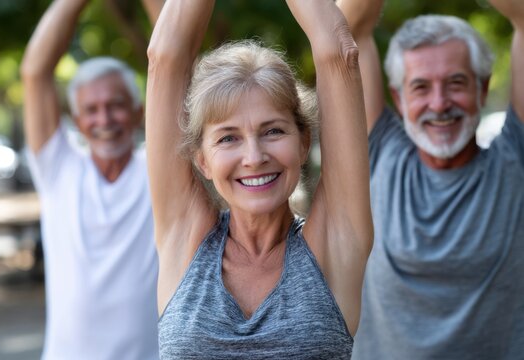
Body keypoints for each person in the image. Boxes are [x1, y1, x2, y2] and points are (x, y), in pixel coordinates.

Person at [145, 0, 373, 358]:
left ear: (303, 143)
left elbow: (338, 53)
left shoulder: (333, 245)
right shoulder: (185, 240)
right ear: (202, 160)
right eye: (228, 138)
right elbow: (164, 58)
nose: (254, 157)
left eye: (273, 131)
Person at [335, 0, 524, 358]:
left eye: (455, 83)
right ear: (399, 99)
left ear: (482, 90)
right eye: (421, 87)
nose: (439, 104)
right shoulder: (376, 153)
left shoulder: (516, 160)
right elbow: (347, 29)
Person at [21, 0, 163, 359]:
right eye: (91, 109)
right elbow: (35, 72)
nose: (104, 119)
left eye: (115, 105)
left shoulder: (160, 171)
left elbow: (174, 57)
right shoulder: (59, 169)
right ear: (77, 119)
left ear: (138, 112)